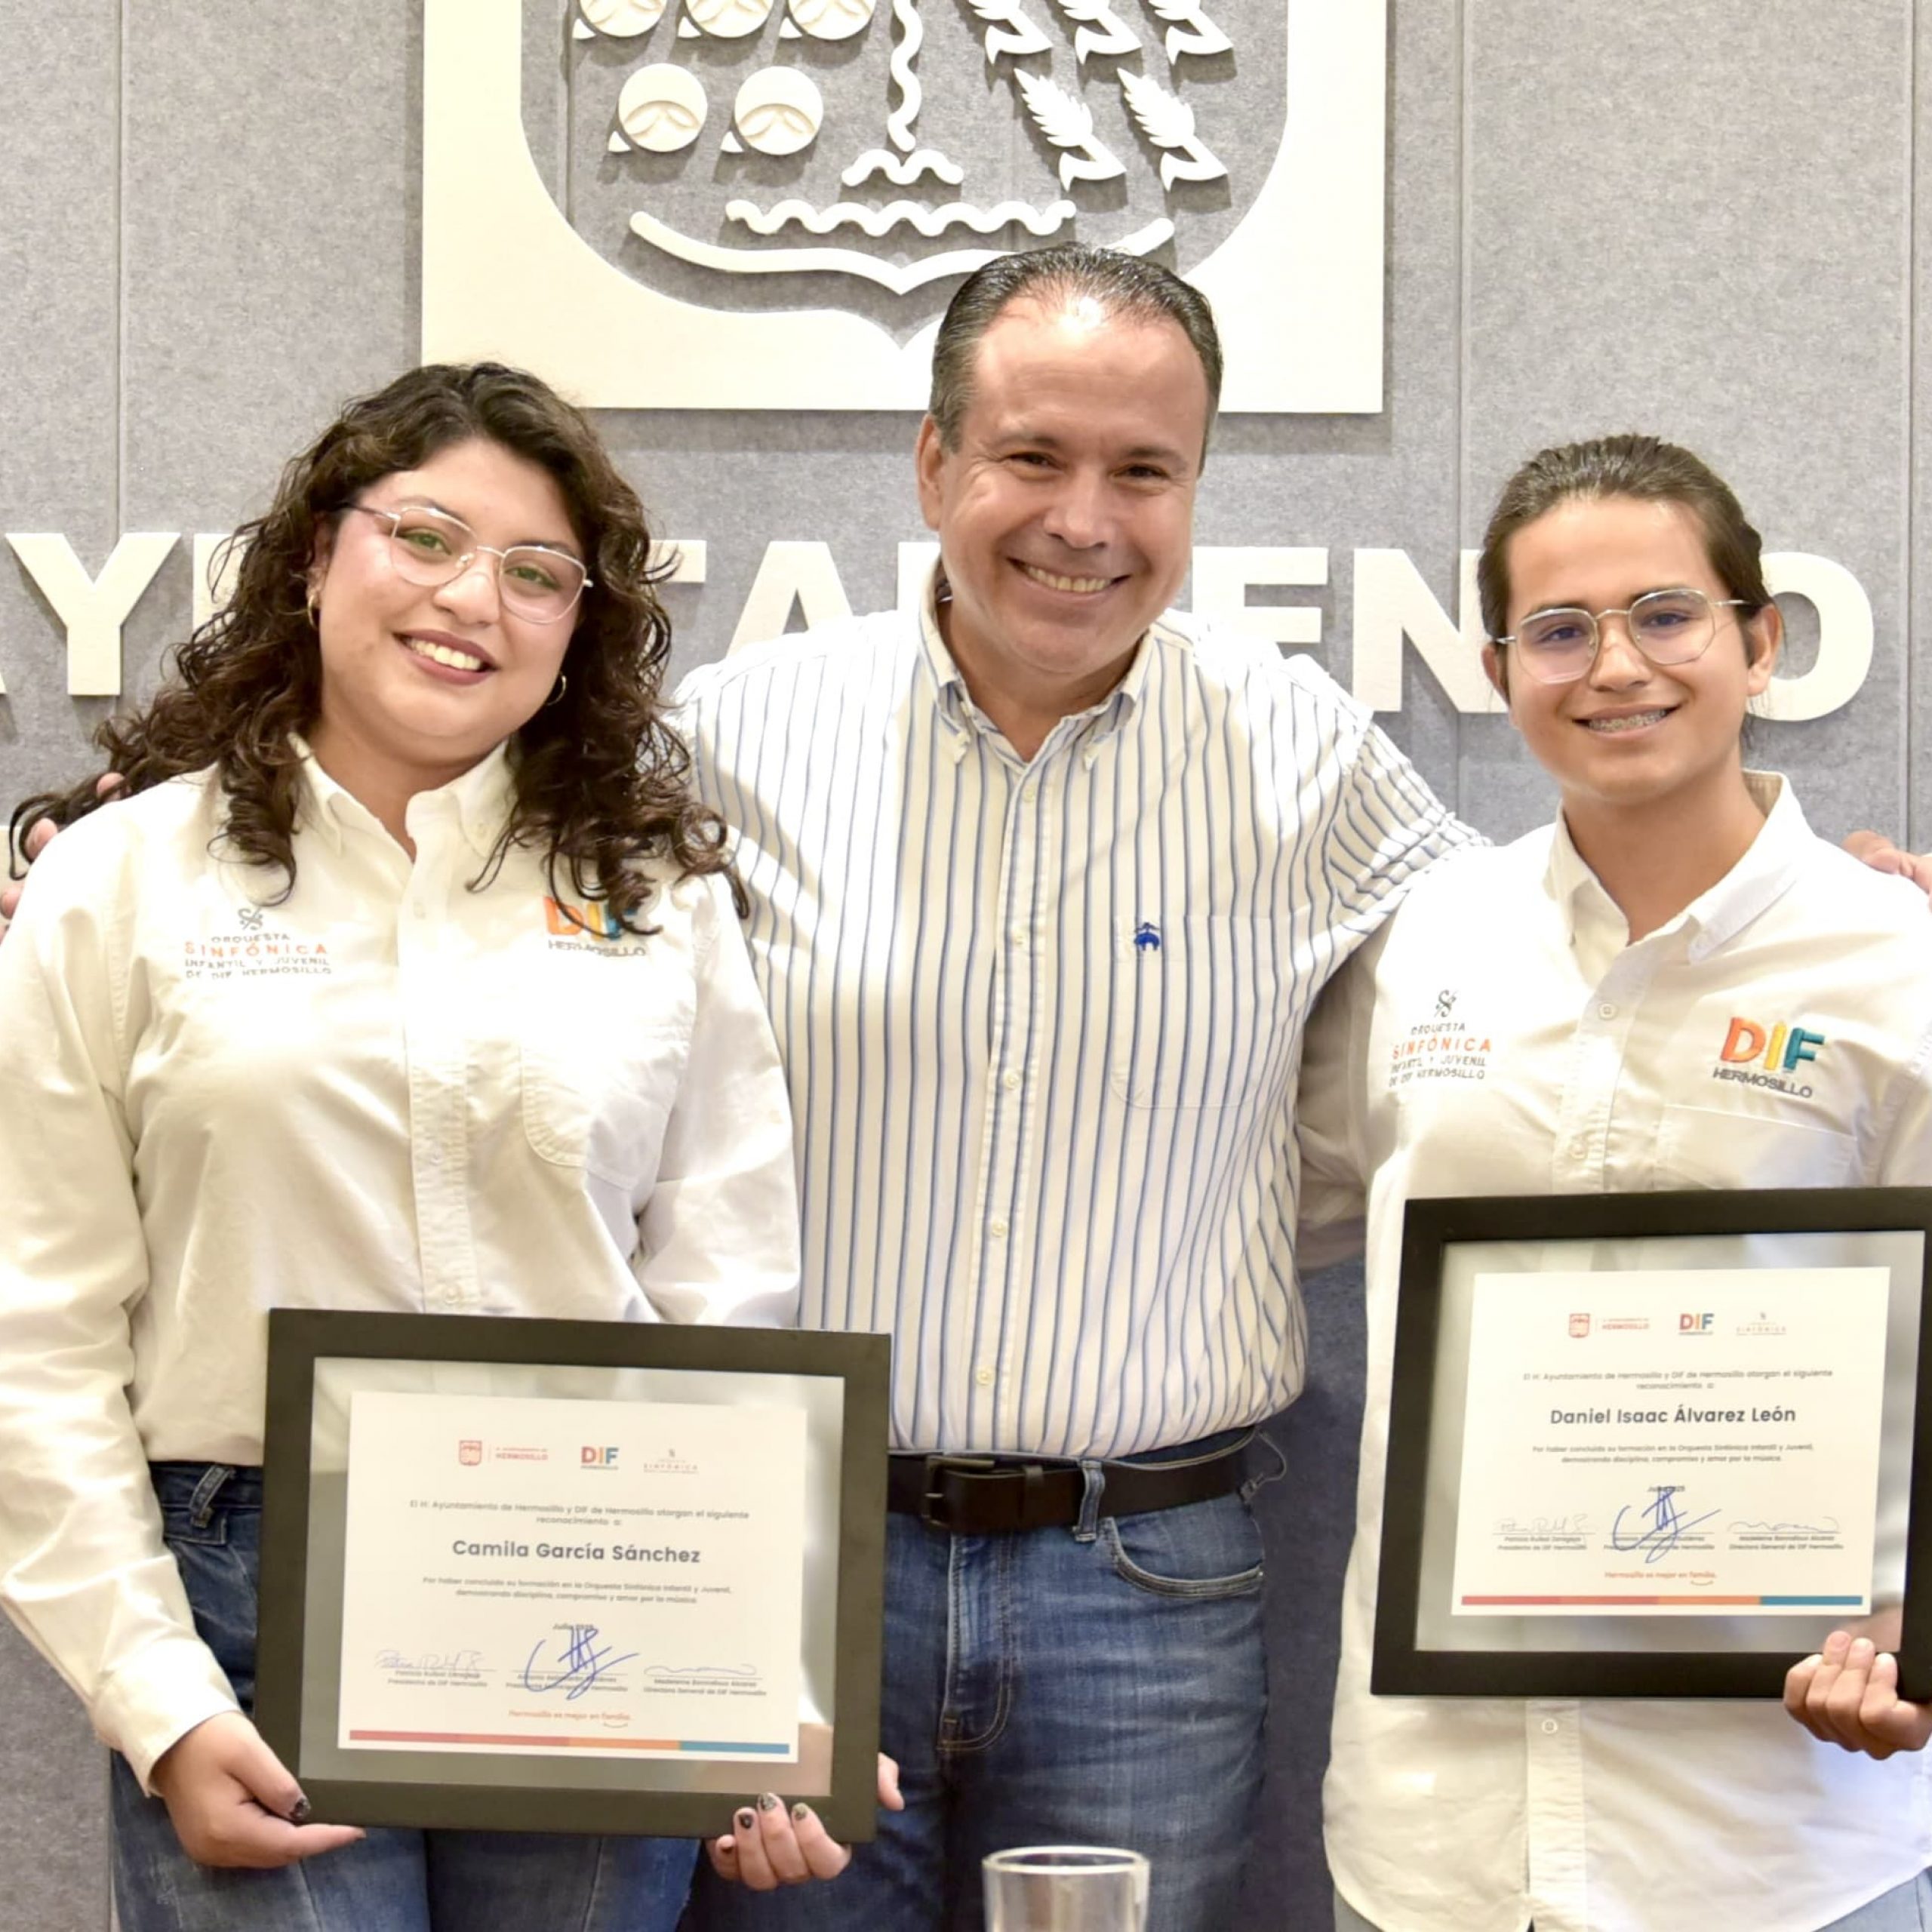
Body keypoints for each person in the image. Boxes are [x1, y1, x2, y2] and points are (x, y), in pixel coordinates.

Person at [669, 245, 1478, 1932]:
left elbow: (1550, 972)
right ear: (933, 463)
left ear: (1193, 486)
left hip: (1150, 1580)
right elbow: (475, 930)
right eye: (1031, 457)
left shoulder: (1301, 752)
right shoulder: (731, 741)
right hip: (796, 1564)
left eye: (1141, 471)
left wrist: (1802, 918)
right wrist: (94, 842)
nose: (1081, 519)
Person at [0, 361, 863, 1932]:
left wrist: (761, 1676)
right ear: (320, 553)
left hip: (600, 1590)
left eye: (537, 572)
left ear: (578, 628)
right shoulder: (121, 880)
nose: (475, 596)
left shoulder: (658, 894)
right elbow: (34, 1335)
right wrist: (156, 1698)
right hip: (243, 1603)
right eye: (426, 536)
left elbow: (726, 1302)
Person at [1296, 432, 1932, 1932]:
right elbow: (1272, 1201)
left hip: (1774, 1835)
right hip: (1433, 1839)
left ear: (1756, 640)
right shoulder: (1421, 944)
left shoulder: (1892, 962)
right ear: (1497, 663)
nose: (1613, 667)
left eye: (1664, 614)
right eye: (1558, 630)